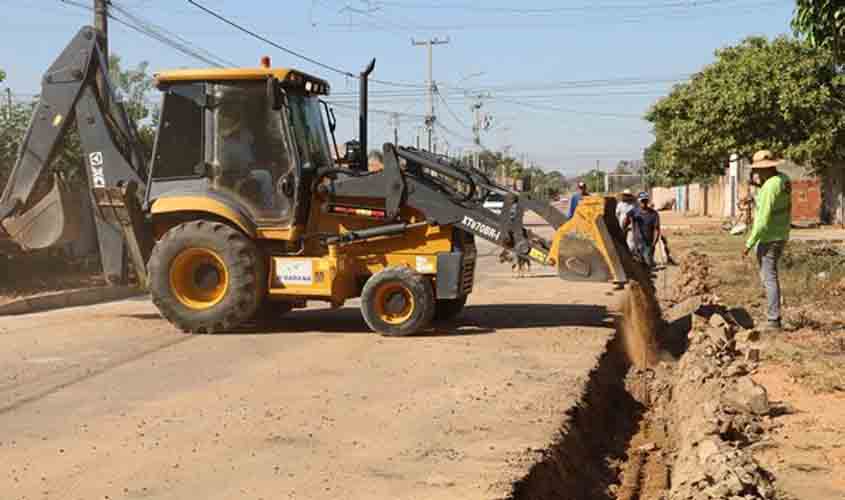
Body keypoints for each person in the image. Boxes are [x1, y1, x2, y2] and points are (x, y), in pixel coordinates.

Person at [743, 150, 791, 332]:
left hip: (769, 237)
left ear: (766, 169)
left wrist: (749, 243)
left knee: (769, 277)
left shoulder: (770, 187)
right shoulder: (784, 179)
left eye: (758, 170)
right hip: (781, 233)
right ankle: (773, 312)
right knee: (769, 276)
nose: (756, 173)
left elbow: (762, 220)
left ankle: (773, 320)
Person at [625, 192, 661, 268]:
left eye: (645, 201)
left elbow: (657, 230)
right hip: (637, 242)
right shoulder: (634, 212)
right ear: (638, 201)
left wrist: (654, 244)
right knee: (638, 263)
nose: (644, 203)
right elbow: (626, 222)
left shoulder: (653, 214)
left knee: (648, 262)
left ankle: (648, 274)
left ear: (647, 201)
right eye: (642, 201)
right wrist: (628, 219)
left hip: (648, 243)